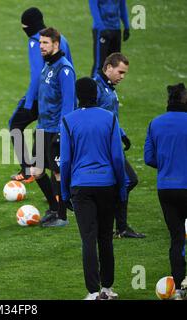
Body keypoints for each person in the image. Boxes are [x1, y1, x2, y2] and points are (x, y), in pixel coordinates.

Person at [60, 77, 126, 300]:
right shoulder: (109, 118)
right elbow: (118, 157)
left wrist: (65, 192)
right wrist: (122, 188)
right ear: (96, 94)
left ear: (78, 96)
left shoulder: (68, 121)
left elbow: (66, 162)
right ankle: (107, 289)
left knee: (88, 238)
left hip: (81, 186)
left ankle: (92, 292)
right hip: (107, 185)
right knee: (105, 237)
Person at [9, 7, 73, 183]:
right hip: (60, 97)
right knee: (51, 139)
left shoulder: (35, 41)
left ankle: (27, 169)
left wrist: (30, 101)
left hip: (43, 97)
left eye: (25, 27)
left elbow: (38, 74)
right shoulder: (61, 39)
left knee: (15, 124)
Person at [94, 52, 145, 238]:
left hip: (113, 143)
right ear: (108, 68)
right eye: (120, 72)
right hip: (106, 147)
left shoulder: (107, 87)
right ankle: (115, 223)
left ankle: (120, 227)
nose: (122, 77)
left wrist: (121, 134)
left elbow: (111, 117)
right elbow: (94, 119)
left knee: (125, 182)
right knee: (128, 180)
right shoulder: (97, 88)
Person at [144, 83, 187, 300]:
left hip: (167, 188)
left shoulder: (155, 123)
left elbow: (149, 158)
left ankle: (178, 288)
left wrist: (169, 164)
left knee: (177, 238)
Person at [29, 27, 75, 227]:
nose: (41, 46)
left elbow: (68, 103)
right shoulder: (47, 66)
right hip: (42, 128)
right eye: (40, 43)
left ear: (56, 44)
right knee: (36, 171)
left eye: (45, 43)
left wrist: (62, 131)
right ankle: (53, 207)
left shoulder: (64, 69)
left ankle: (62, 216)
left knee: (58, 173)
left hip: (56, 129)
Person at [89, 0, 130, 77]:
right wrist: (101, 28)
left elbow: (122, 6)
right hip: (101, 31)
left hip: (116, 30)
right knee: (100, 64)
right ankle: (94, 88)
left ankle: (109, 88)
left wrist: (126, 26)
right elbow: (94, 9)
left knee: (115, 63)